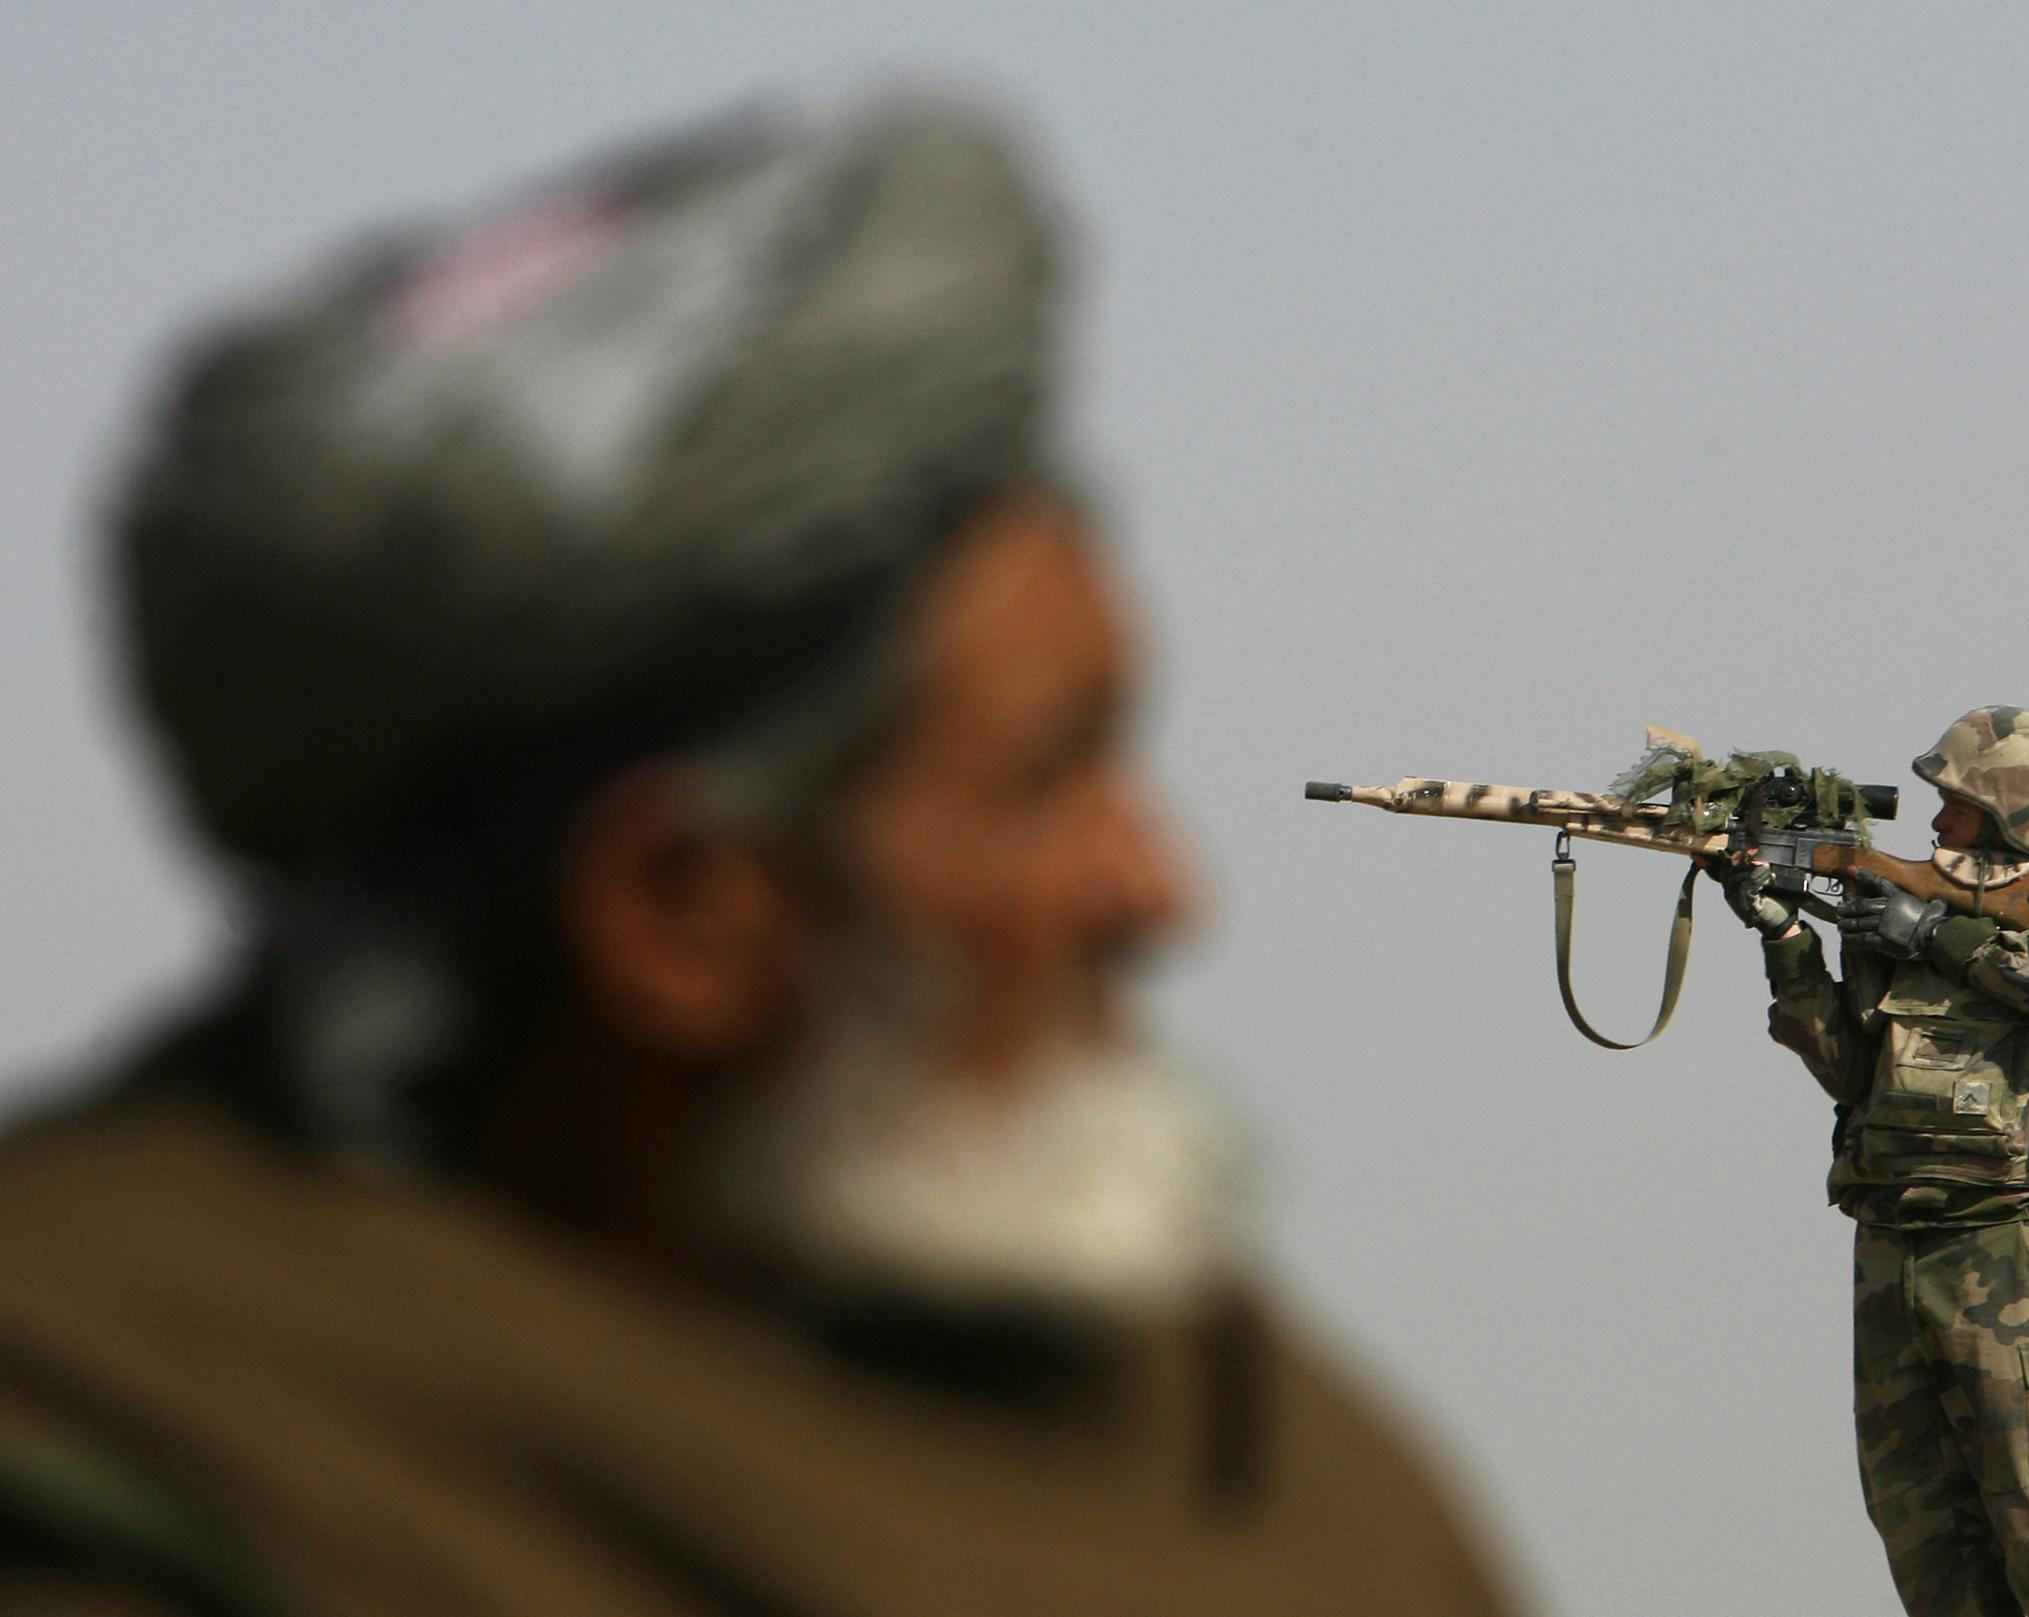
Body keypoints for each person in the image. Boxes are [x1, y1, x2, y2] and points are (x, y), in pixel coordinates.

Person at [0, 99, 1511, 1616]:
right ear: (681, 916)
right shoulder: (122, 1463)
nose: (1156, 889)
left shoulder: (1248, 1451)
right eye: (1045, 786)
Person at [1718, 707, 2029, 1617]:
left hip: (2003, 1242)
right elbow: (1851, 1071)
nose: (1935, 826)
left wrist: (1928, 931)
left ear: (2025, 816)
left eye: (1959, 808)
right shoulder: (1904, 929)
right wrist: (1785, 940)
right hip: (1890, 1239)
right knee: (1921, 1526)